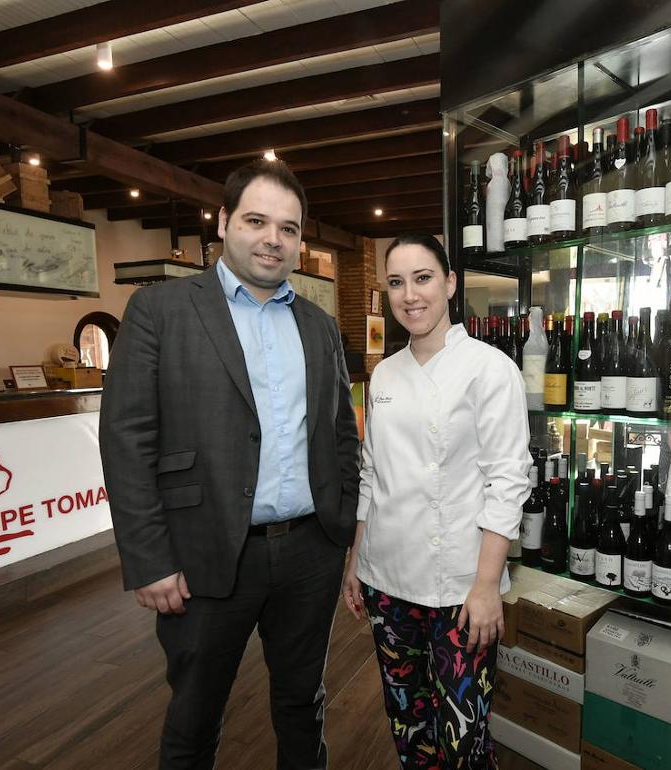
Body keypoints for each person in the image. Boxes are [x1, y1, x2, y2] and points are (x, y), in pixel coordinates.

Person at [99, 159, 360, 770]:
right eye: (256, 220)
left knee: (303, 704)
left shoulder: (319, 326)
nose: (273, 238)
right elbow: (127, 438)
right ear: (222, 222)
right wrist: (149, 559)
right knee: (194, 716)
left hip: (308, 553)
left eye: (289, 228)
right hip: (203, 554)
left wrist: (340, 528)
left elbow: (341, 433)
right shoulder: (159, 311)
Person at [342, 234, 530, 769]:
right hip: (386, 583)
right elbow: (372, 474)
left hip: (460, 588)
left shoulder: (490, 369)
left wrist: (488, 585)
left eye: (423, 278)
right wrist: (357, 559)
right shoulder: (384, 374)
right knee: (410, 729)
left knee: (464, 740)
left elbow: (507, 481)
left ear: (449, 282)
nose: (410, 295)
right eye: (396, 282)